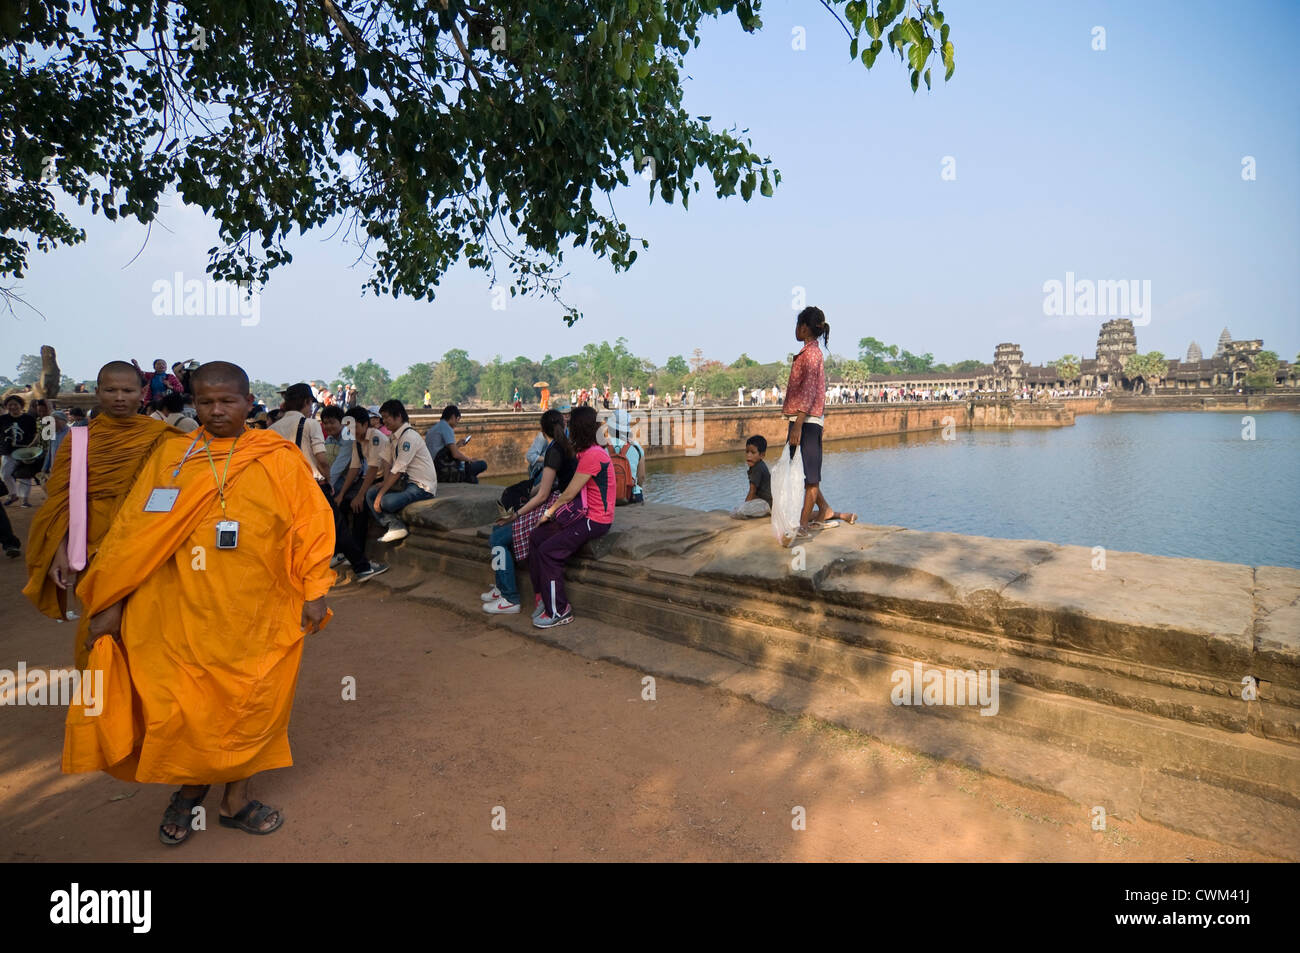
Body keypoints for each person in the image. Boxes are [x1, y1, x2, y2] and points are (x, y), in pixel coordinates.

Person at [65, 360, 334, 845]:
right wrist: (114, 599)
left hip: (260, 610)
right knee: (187, 707)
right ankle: (189, 792)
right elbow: (134, 535)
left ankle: (236, 800)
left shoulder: (278, 456)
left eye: (227, 400)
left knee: (253, 704)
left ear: (249, 403)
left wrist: (315, 590)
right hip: (181, 611)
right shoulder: (173, 460)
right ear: (193, 403)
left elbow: (311, 525)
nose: (215, 411)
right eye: (205, 402)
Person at [22, 362, 181, 670]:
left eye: (127, 390)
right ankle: (101, 708)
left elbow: (177, 496)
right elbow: (60, 501)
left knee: (149, 633)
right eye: (110, 390)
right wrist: (58, 550)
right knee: (97, 630)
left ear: (142, 393)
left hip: (148, 549)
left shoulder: (164, 438)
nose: (119, 397)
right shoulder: (79, 439)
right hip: (95, 548)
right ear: (97, 393)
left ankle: (143, 708)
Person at [527, 405, 615, 629]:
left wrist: (548, 513)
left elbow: (569, 494)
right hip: (583, 514)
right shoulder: (589, 451)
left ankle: (559, 610)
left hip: (595, 520)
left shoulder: (593, 455)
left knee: (549, 552)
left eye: (570, 424)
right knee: (537, 537)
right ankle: (545, 600)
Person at [482, 409, 577, 615]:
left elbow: (542, 495)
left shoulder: (554, 451)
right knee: (496, 531)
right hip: (558, 501)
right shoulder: (565, 447)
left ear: (543, 431)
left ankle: (510, 597)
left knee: (498, 539)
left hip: (552, 506)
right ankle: (501, 586)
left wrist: (515, 515)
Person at [782, 307, 856, 545]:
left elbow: (809, 391)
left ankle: (802, 526)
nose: (795, 330)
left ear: (804, 327)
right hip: (800, 421)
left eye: (797, 325)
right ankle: (825, 510)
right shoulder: (807, 353)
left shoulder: (813, 355)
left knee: (811, 478)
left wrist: (798, 425)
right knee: (796, 470)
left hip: (807, 422)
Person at [319, 405, 388, 582]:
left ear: (365, 424)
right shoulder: (356, 440)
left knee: (360, 506)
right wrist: (341, 493)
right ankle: (342, 551)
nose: (351, 431)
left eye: (355, 427)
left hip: (382, 479)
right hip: (365, 480)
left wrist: (358, 495)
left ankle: (357, 551)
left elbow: (372, 469)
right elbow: (354, 467)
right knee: (339, 504)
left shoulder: (374, 438)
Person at [366, 399, 437, 543]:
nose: (383, 421)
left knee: (385, 502)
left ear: (398, 416)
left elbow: (398, 469)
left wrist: (382, 493)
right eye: (383, 418)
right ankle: (394, 525)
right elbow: (386, 460)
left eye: (386, 417)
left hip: (421, 486)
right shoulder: (394, 437)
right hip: (406, 483)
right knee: (370, 494)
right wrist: (385, 484)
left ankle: (395, 526)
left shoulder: (408, 437)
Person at [270, 382, 330, 490]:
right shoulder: (311, 424)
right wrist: (328, 480)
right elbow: (322, 460)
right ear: (306, 401)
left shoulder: (271, 429)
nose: (311, 408)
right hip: (311, 485)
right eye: (311, 403)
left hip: (284, 487)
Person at [425, 404, 487, 484]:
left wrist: (458, 445)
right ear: (453, 417)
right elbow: (455, 455)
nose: (457, 423)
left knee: (472, 478)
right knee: (482, 465)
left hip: (433, 467)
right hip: (442, 470)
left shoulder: (434, 428)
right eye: (457, 420)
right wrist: (470, 460)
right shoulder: (447, 428)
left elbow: (443, 452)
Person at [1, 394, 40, 506]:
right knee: (5, 475)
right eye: (10, 405)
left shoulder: (29, 419)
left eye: (15, 404)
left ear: (21, 405)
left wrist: (32, 446)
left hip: (25, 452)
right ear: (6, 406)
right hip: (8, 451)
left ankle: (25, 500)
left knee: (24, 475)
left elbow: (36, 434)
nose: (13, 407)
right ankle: (13, 494)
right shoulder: (2, 419)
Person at [607, 408, 645, 504]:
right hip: (630, 496)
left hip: (606, 496)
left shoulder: (601, 446)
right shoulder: (636, 447)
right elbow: (641, 477)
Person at [526, 397, 571, 478]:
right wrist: (550, 460)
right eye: (563, 414)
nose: (566, 417)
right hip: (543, 472)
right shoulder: (545, 434)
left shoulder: (568, 432)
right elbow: (530, 455)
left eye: (568, 414)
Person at [730, 435, 772, 519]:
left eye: (753, 453)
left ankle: (764, 512)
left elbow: (752, 491)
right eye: (747, 452)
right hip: (765, 502)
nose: (749, 455)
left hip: (766, 504)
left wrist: (744, 507)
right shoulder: (758, 465)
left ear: (762, 455)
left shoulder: (758, 468)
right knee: (738, 510)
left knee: (738, 512)